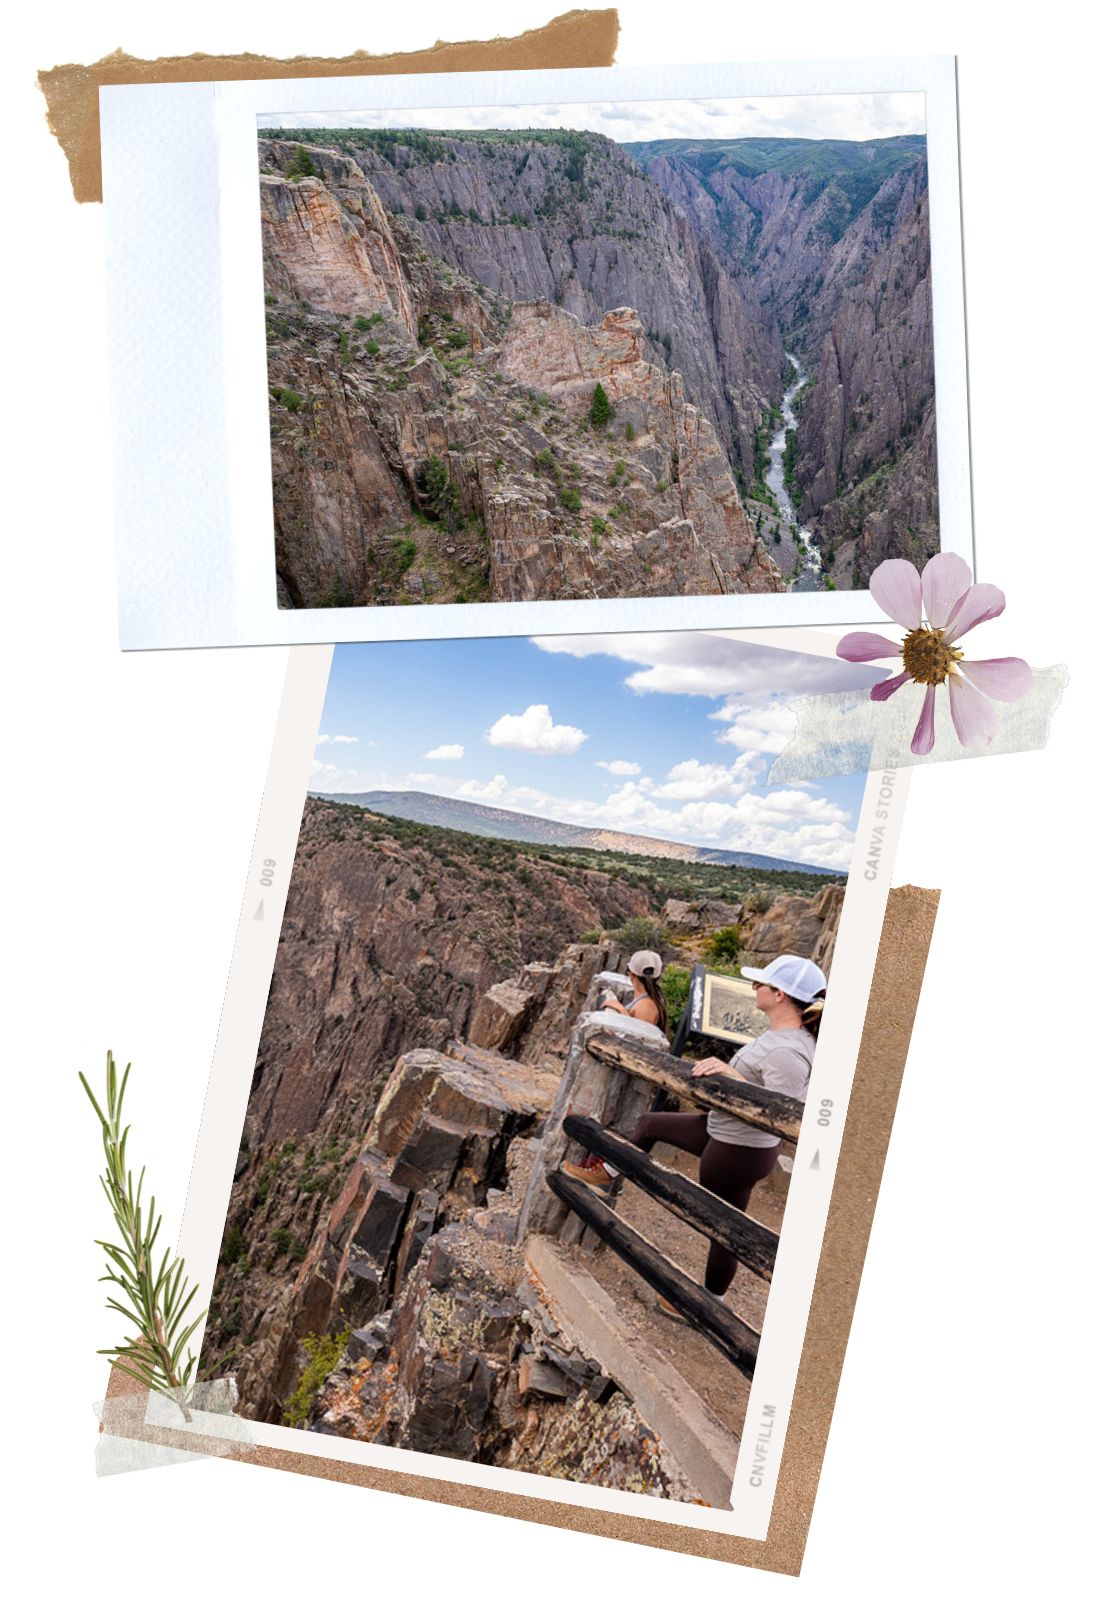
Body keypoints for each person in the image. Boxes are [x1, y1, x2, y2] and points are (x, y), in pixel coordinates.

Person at [562, 953, 826, 1317]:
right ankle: (605, 1175)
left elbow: (786, 1108)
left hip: (740, 1149)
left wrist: (732, 1078)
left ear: (780, 995)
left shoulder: (787, 1049)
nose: (754, 987)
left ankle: (706, 1304)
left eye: (762, 983)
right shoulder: (782, 1037)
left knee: (722, 1227)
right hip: (722, 1129)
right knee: (651, 1124)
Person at [594, 948, 668, 1033]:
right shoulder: (648, 998)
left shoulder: (646, 1007)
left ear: (631, 974)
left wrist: (621, 1010)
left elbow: (638, 1038)